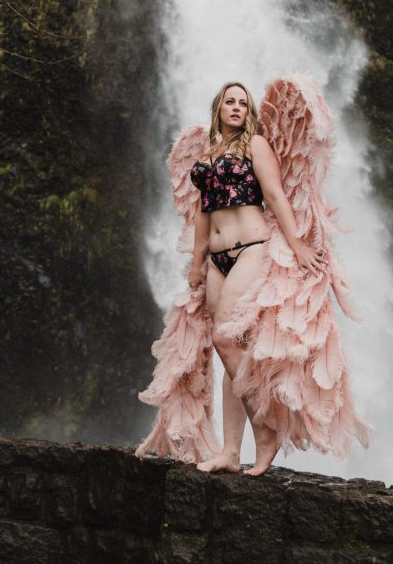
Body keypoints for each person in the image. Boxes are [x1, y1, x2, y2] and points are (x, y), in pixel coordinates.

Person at [136, 72, 371, 475]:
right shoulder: (207, 156)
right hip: (216, 259)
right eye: (230, 101)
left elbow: (276, 194)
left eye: (243, 103)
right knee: (231, 353)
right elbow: (202, 215)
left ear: (250, 113)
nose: (237, 107)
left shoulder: (256, 146)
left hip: (251, 248)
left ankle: (266, 431)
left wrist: (297, 244)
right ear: (218, 108)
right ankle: (230, 451)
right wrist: (196, 265)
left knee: (227, 338)